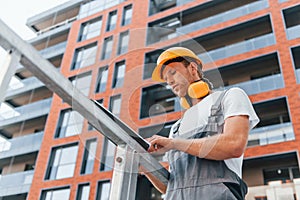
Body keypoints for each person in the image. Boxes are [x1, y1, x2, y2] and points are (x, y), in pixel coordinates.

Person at [144, 47, 259, 200]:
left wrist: (174, 143)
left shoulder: (228, 98)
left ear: (192, 68)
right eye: (166, 79)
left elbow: (234, 144)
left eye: (173, 73)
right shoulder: (177, 127)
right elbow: (171, 186)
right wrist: (144, 166)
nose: (170, 81)